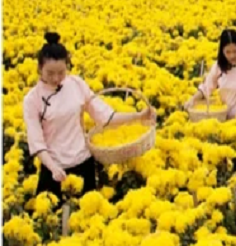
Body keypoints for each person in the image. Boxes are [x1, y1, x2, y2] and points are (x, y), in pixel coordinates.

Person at [24, 33, 155, 199]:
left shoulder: (76, 85)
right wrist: (53, 168)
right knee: (51, 218)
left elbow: (105, 116)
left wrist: (139, 116)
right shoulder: (32, 100)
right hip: (53, 169)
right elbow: (36, 143)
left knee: (86, 220)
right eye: (50, 73)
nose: (56, 78)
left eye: (61, 72)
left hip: (83, 163)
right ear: (39, 68)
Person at [184, 30, 236, 120]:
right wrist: (192, 99)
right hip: (223, 118)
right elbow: (206, 87)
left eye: (235, 51)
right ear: (222, 51)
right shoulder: (218, 67)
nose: (232, 56)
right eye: (228, 52)